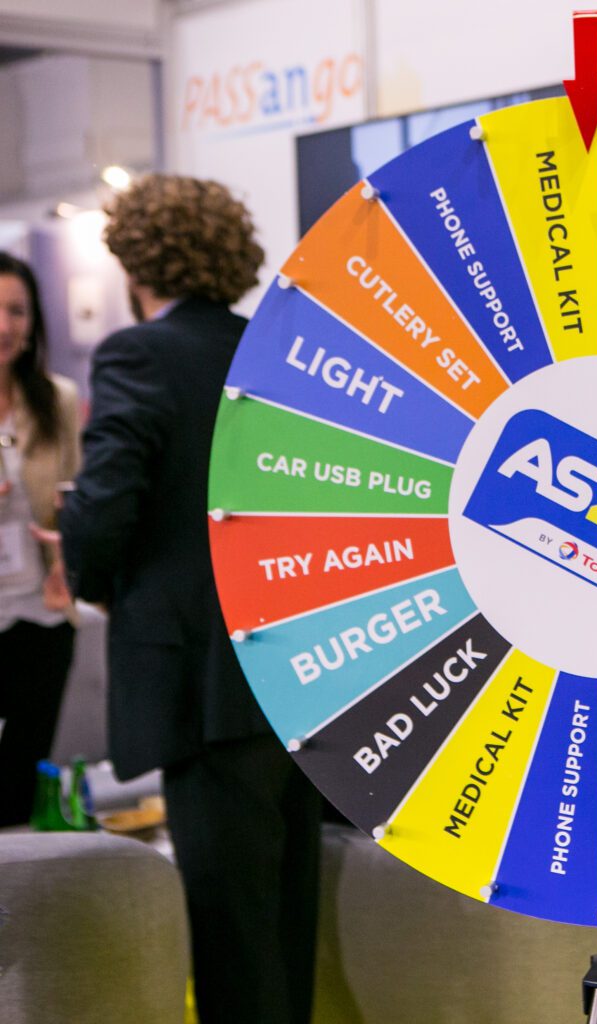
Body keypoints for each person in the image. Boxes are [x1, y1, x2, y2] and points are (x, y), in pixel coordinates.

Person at [56, 175, 321, 1024]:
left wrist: (82, 564)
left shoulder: (137, 354)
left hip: (201, 687)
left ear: (133, 260)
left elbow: (107, 503)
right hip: (300, 673)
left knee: (230, 942)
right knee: (286, 928)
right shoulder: (275, 348)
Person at [0, 253, 80, 827]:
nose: (5, 325)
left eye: (17, 311)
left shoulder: (58, 399)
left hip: (42, 615)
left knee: (20, 786)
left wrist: (68, 561)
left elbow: (74, 496)